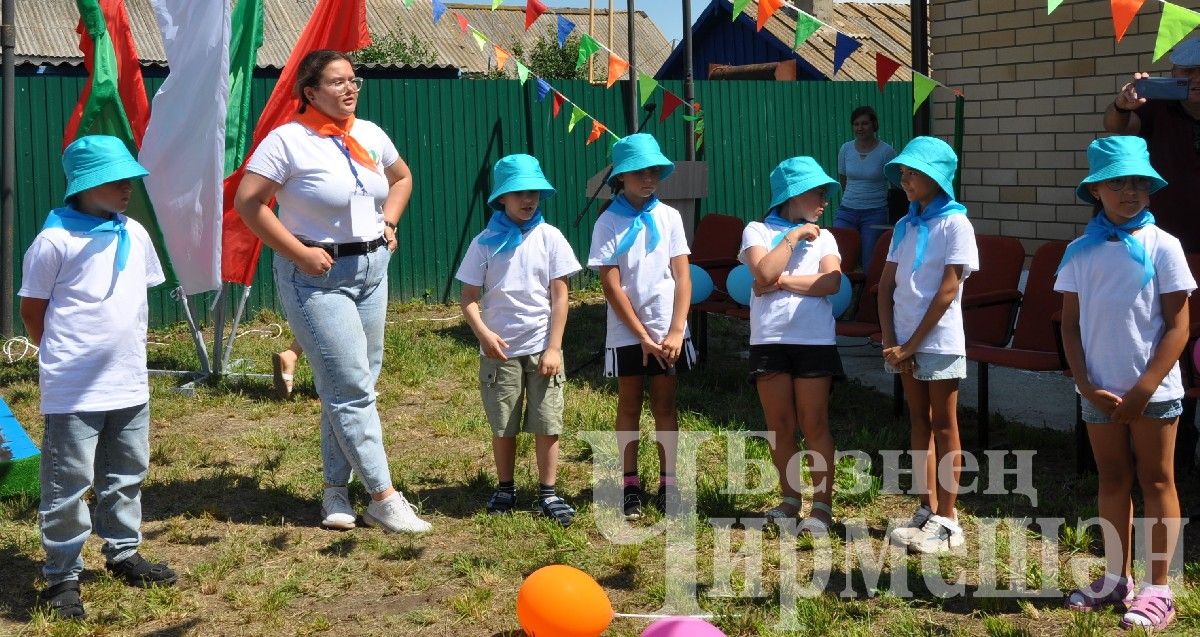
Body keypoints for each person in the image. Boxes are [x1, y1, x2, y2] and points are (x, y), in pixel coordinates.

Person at [234, 49, 430, 533]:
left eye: (354, 81)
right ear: (310, 92)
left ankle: (334, 493)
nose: (350, 89)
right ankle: (383, 498)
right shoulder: (288, 141)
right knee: (351, 388)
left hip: (371, 270)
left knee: (351, 385)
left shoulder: (369, 134)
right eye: (338, 82)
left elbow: (401, 178)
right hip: (315, 278)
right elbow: (248, 202)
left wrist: (389, 221)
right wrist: (298, 252)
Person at [19, 135, 176, 619]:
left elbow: (135, 301)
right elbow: (32, 312)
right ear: (84, 186)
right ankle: (63, 575)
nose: (126, 187)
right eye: (113, 180)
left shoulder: (135, 233)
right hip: (74, 387)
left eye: (128, 177)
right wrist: (67, 360)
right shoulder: (54, 240)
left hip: (129, 381)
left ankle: (123, 551)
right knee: (68, 483)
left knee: (127, 472)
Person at [1056, 136, 1193, 631]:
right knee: (1112, 480)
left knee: (1157, 481)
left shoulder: (1165, 246)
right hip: (1099, 393)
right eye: (1117, 182)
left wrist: (1144, 389)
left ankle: (1159, 588)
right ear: (1096, 191)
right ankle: (1117, 577)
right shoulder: (1078, 252)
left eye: (1138, 182)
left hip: (1152, 394)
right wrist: (1085, 383)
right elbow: (1069, 324)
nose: (1129, 191)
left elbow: (1179, 325)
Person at [455, 154, 582, 527]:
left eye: (535, 194)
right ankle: (506, 487)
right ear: (502, 199)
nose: (529, 201)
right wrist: (483, 333)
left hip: (543, 349)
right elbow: (468, 298)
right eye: (520, 193)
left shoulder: (550, 237)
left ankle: (548, 491)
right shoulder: (483, 243)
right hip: (500, 351)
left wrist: (554, 347)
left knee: (547, 421)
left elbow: (560, 296)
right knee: (503, 423)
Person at [877, 136, 978, 555]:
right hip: (902, 341)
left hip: (938, 341)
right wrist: (890, 340)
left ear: (936, 178)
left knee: (943, 423)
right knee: (918, 422)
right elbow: (885, 286)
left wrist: (912, 344)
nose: (905, 180)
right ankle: (926, 506)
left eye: (912, 173)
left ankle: (949, 520)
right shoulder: (904, 224)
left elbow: (947, 291)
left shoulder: (956, 223)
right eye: (902, 172)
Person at [587, 133, 695, 520]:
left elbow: (683, 278)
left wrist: (676, 330)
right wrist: (641, 337)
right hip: (629, 332)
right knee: (629, 402)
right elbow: (611, 285)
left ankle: (669, 484)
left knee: (666, 404)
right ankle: (629, 484)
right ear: (621, 177)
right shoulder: (607, 222)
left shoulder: (670, 217)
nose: (647, 178)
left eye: (653, 171)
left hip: (668, 330)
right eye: (638, 172)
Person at [739, 157, 844, 537]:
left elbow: (831, 283)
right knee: (779, 426)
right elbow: (761, 272)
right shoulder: (756, 230)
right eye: (819, 192)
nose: (825, 200)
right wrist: (794, 236)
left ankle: (822, 505)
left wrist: (781, 282)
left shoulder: (827, 237)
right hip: (769, 341)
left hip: (814, 341)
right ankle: (789, 500)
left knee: (814, 423)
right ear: (793, 194)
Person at [1103, 37, 1200, 252]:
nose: (1197, 79)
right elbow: (1117, 125)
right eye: (1189, 71)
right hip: (1166, 236)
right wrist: (1122, 106)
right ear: (1174, 74)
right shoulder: (1156, 105)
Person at [833, 105, 897, 269]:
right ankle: (841, 292)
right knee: (839, 255)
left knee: (869, 260)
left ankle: (867, 293)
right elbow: (843, 179)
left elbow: (895, 181)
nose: (860, 128)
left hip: (875, 212)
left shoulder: (886, 151)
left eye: (865, 123)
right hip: (847, 211)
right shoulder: (845, 149)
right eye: (856, 124)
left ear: (874, 125)